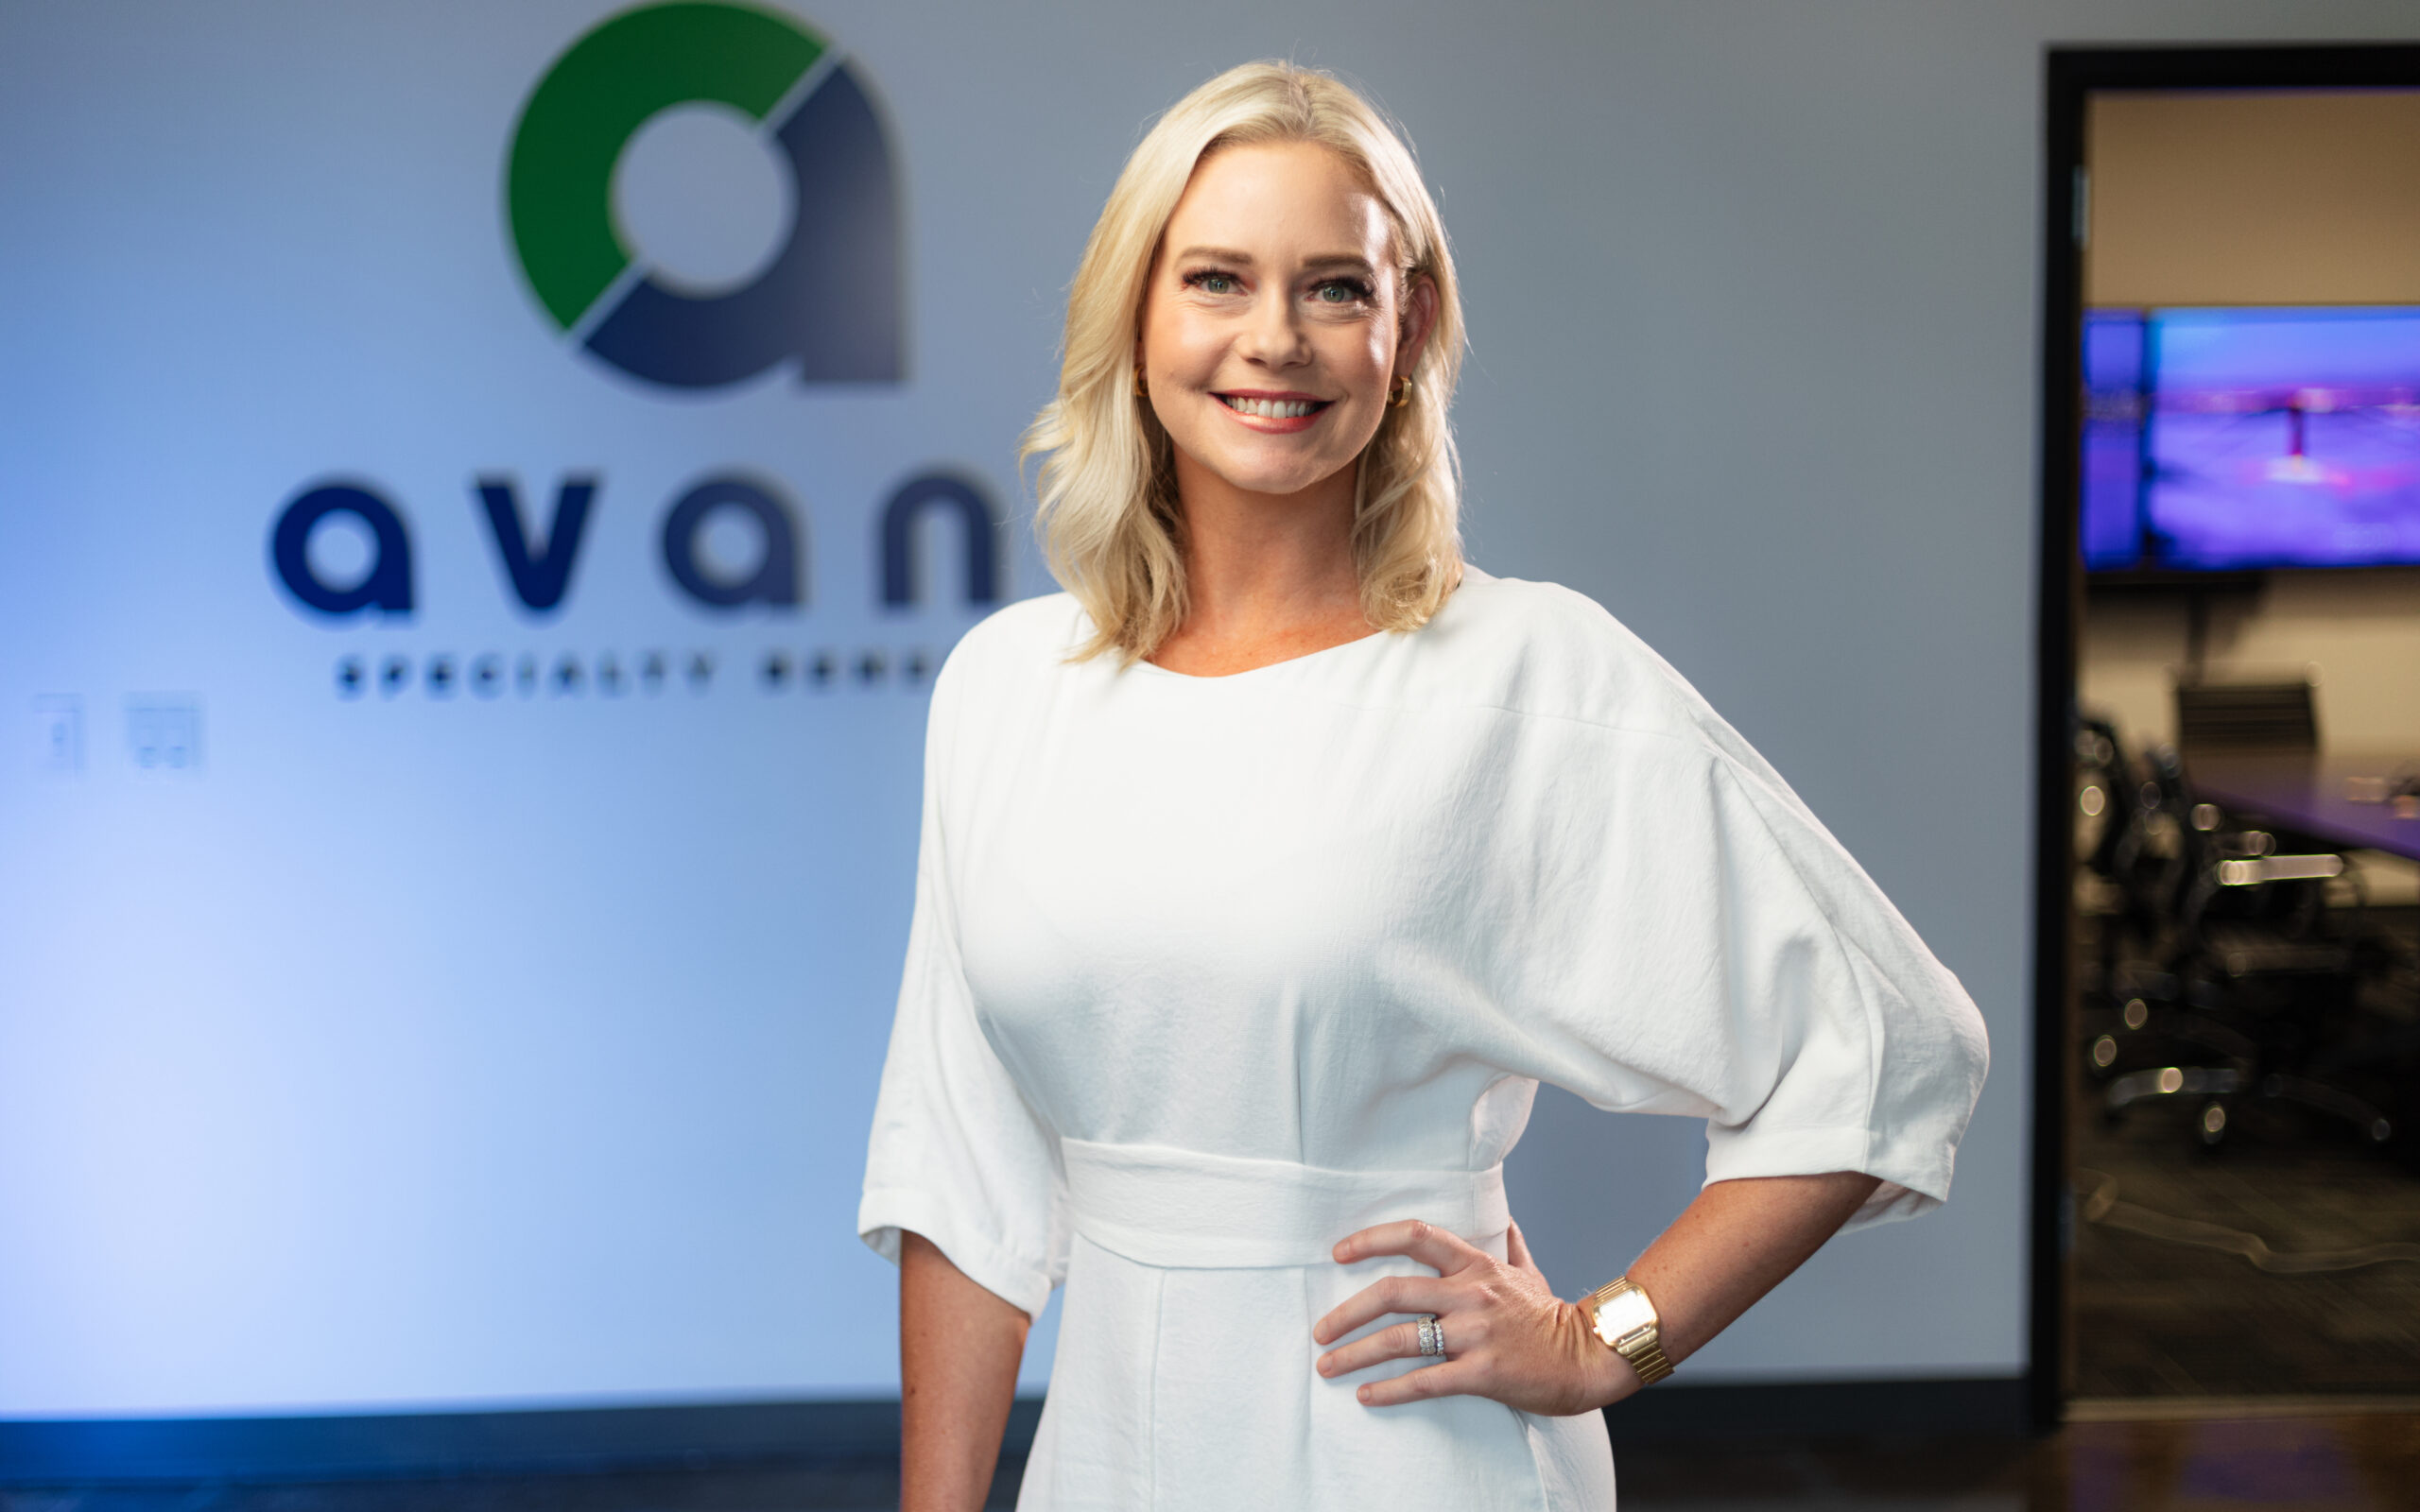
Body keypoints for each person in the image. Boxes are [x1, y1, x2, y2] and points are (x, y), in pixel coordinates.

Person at [858, 60, 1989, 1512]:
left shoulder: (1523, 674)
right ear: (1134, 312)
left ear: (1412, 324)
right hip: (1110, 1456)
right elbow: (965, 1170)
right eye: (1217, 278)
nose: (1275, 339)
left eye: (1336, 287)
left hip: (1401, 1444)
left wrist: (1605, 1339)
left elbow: (1894, 1043)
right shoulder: (1010, 689)